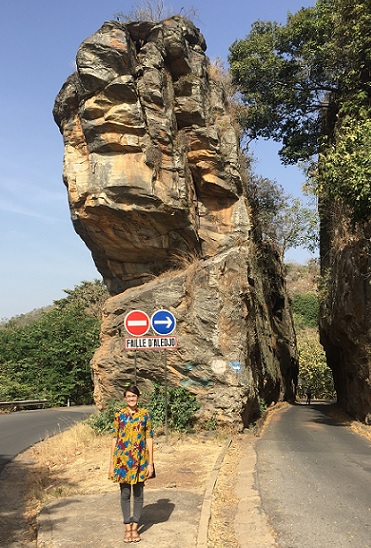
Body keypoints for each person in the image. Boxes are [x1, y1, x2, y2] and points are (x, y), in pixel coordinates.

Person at [109, 384, 154, 543]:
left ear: (138, 398)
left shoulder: (145, 415)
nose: (131, 399)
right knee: (125, 493)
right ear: (125, 398)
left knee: (139, 493)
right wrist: (112, 463)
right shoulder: (119, 415)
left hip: (141, 459)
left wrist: (150, 463)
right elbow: (115, 438)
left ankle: (135, 528)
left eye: (133, 396)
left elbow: (149, 438)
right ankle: (127, 527)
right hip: (122, 460)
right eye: (128, 396)